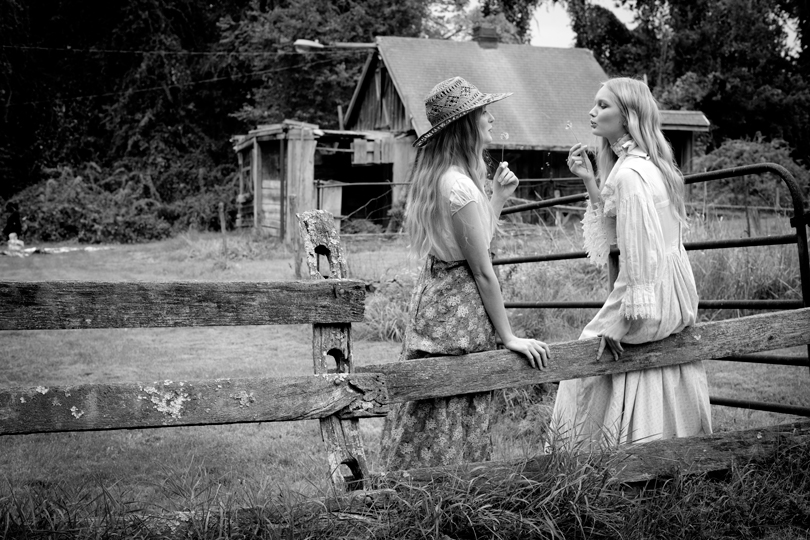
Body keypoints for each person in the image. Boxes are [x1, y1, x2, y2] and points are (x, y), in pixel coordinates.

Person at [379, 77, 551, 470]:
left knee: (431, 402)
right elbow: (482, 270)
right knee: (456, 397)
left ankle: (413, 480)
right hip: (458, 308)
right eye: (482, 112)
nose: (491, 117)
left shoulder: (444, 179)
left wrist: (497, 197)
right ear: (467, 125)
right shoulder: (459, 187)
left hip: (437, 299)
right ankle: (450, 484)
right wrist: (509, 336)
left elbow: (472, 241)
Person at [551, 77, 711, 450]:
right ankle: (655, 442)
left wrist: (621, 320)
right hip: (672, 293)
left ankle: (584, 459)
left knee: (585, 359)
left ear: (627, 117)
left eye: (603, 105)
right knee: (611, 353)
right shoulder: (645, 164)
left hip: (650, 298)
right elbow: (619, 226)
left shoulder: (630, 175)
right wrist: (590, 180)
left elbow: (639, 256)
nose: (592, 112)